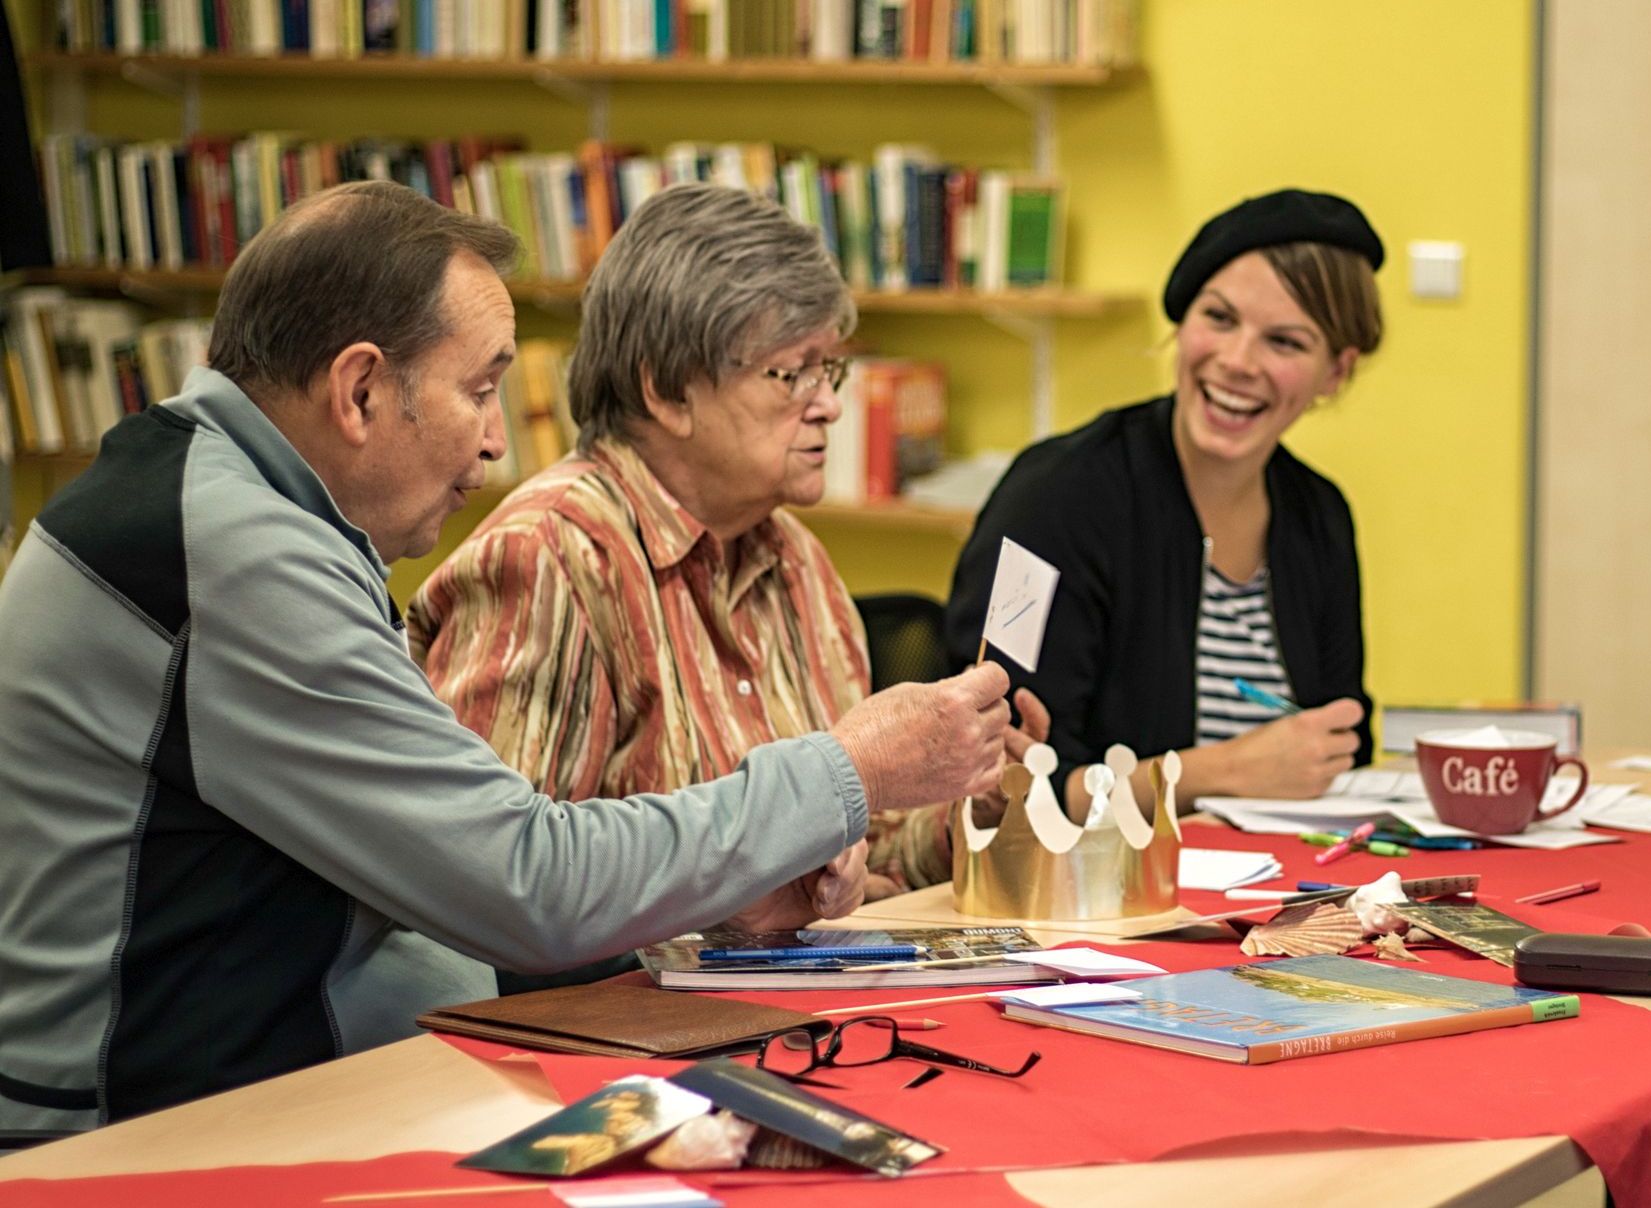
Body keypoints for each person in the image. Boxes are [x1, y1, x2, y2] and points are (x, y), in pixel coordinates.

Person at [0, 181, 1011, 1132]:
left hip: (272, 1082)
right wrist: (848, 769)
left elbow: (470, 887)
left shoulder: (227, 504)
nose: (495, 443)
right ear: (358, 390)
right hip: (143, 1131)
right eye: (479, 390)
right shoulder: (234, 550)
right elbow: (525, 885)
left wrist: (733, 888)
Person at [411, 184, 1038, 903]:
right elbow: (500, 891)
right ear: (669, 392)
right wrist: (754, 903)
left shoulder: (795, 557)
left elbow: (872, 850)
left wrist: (971, 809)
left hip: (788, 1003)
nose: (831, 403)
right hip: (623, 1014)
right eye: (792, 373)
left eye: (828, 370)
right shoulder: (551, 558)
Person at [942, 189, 1380, 806]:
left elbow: (1343, 743)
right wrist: (1217, 772)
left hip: (1283, 883)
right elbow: (1005, 784)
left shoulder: (1318, 514)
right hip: (1092, 891)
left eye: (1285, 342)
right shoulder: (1058, 498)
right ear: (1182, 320)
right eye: (1219, 319)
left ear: (1335, 372)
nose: (1236, 361)